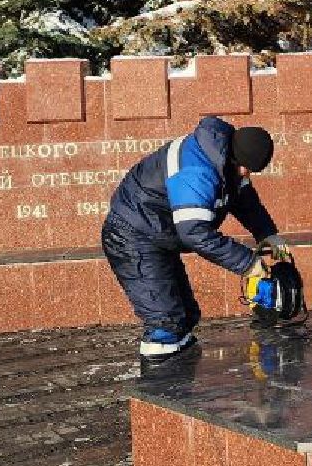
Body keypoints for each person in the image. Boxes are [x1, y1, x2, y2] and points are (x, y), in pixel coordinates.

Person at [102, 116, 289, 360]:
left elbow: (242, 197)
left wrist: (267, 234)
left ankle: (179, 379)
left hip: (157, 234)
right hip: (131, 238)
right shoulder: (197, 171)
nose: (248, 175)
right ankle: (157, 390)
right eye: (248, 169)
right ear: (237, 159)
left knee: (187, 317)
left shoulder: (223, 156)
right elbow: (195, 232)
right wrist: (248, 263)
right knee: (165, 326)